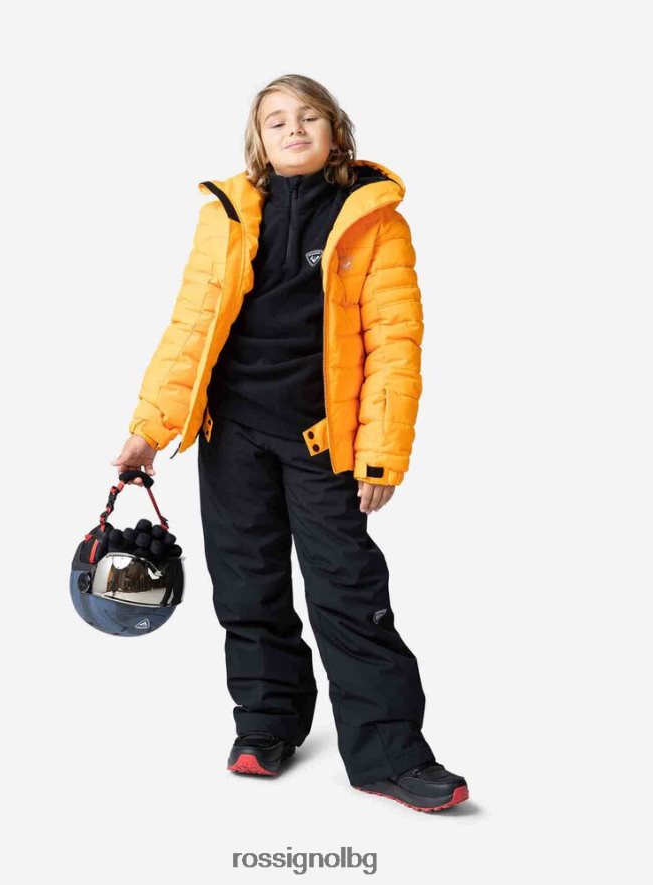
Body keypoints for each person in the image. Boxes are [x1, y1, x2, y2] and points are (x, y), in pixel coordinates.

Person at [112, 74, 469, 813]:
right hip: (232, 433)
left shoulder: (373, 219)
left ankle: (390, 754)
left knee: (348, 593)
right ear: (259, 140)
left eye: (309, 117)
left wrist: (381, 453)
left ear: (335, 132)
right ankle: (267, 723)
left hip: (322, 440)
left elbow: (395, 345)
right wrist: (149, 429)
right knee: (247, 588)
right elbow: (190, 328)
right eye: (276, 121)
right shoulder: (227, 215)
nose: (294, 129)